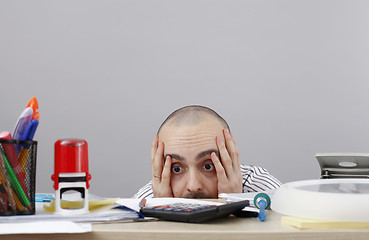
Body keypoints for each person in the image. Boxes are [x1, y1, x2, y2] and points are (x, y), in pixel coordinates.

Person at [134, 105, 282, 199]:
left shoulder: (262, 190)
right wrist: (161, 213)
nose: (193, 186)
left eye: (208, 166)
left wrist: (233, 204)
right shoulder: (147, 199)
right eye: (176, 168)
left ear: (230, 157)